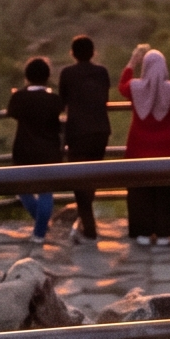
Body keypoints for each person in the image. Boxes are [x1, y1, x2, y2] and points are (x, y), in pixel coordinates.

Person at [121, 45, 170, 245]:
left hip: (138, 147)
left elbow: (121, 86)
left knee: (139, 191)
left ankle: (142, 232)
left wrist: (132, 61)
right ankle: (164, 233)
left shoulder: (134, 87)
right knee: (165, 191)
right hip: (167, 148)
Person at [60, 37, 113, 239]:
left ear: (72, 53)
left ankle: (88, 227)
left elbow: (62, 102)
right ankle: (86, 221)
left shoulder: (67, 73)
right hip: (100, 130)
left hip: (78, 131)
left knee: (78, 178)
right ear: (93, 52)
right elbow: (104, 98)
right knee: (92, 177)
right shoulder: (102, 72)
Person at [8, 56, 64, 232]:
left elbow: (12, 112)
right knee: (46, 191)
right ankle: (40, 232)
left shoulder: (19, 97)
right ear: (47, 76)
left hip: (24, 149)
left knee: (22, 188)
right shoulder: (54, 100)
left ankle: (42, 225)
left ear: (27, 76)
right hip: (50, 150)